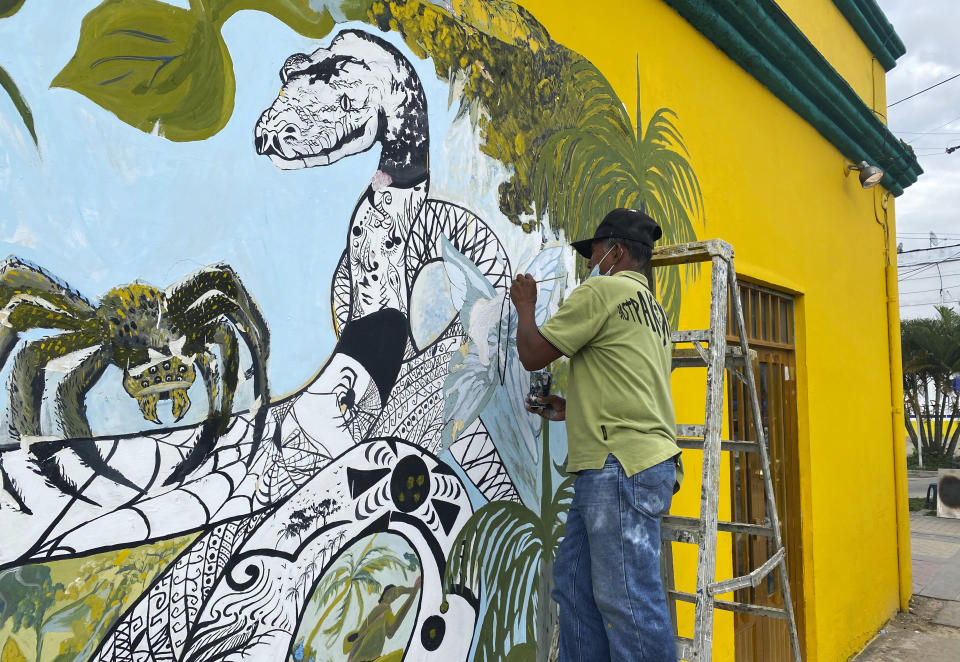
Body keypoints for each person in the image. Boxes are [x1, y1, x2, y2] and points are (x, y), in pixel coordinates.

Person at [509, 208, 682, 662]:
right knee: (573, 587)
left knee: (629, 605)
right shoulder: (655, 313)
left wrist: (525, 305)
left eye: (596, 253)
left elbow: (532, 354)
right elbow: (632, 386)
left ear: (619, 252)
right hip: (627, 465)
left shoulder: (602, 290)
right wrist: (575, 408)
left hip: (619, 468)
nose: (590, 264)